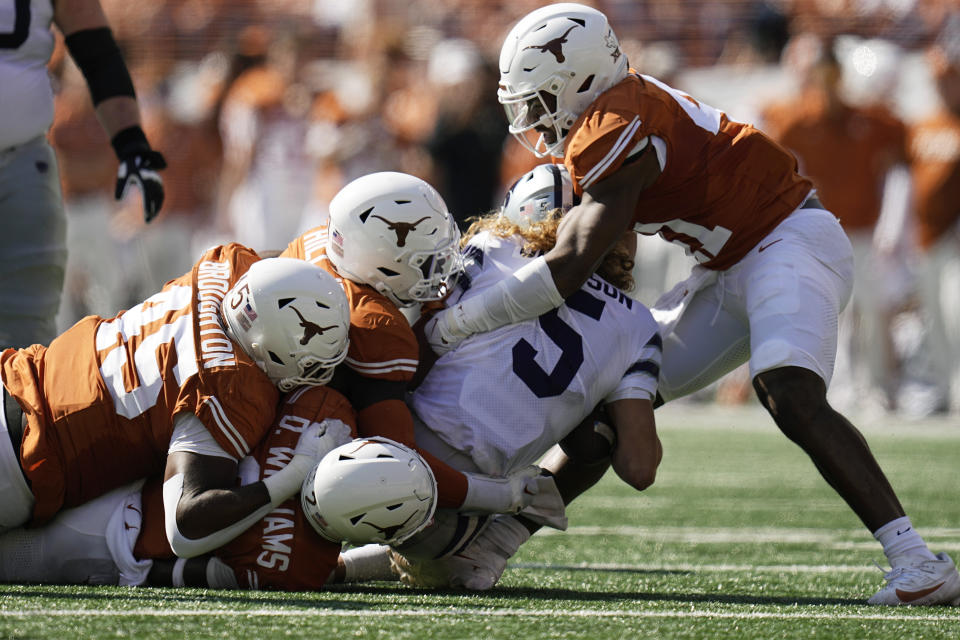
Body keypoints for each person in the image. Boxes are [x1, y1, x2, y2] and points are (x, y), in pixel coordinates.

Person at [424, 3, 960, 606]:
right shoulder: (616, 111)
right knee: (604, 403)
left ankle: (918, 561)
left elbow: (574, 262)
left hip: (789, 240)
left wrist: (460, 322)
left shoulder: (616, 117)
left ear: (578, 77)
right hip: (727, 266)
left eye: (542, 97)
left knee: (788, 387)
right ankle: (492, 546)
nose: (535, 118)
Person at [336, 162, 663, 589]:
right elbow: (640, 468)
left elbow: (415, 348)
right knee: (600, 431)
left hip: (374, 458)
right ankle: (495, 544)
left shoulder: (493, 247)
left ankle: (303, 546)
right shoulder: (639, 326)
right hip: (456, 521)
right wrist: (592, 399)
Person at [0, 243, 354, 561]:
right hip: (18, 460)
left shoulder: (229, 264)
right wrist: (297, 471)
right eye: (313, 365)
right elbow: (185, 526)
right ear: (267, 349)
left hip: (14, 373)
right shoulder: (231, 386)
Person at [281, 172, 553, 518]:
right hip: (272, 438)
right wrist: (503, 495)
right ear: (383, 260)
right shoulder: (377, 328)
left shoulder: (325, 242)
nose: (439, 269)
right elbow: (399, 466)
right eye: (426, 260)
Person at [0, 0, 166, 351]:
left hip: (98, 208)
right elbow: (54, 165)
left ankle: (114, 352)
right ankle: (49, 356)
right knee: (55, 291)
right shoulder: (57, 111)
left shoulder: (103, 114)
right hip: (64, 209)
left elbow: (108, 166)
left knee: (112, 285)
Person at [761, 35, 912, 413]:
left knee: (873, 313)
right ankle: (841, 387)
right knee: (832, 315)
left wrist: (891, 224)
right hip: (823, 232)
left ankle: (877, 387)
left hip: (862, 231)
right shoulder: (795, 118)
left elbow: (898, 159)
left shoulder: (866, 119)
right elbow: (777, 160)